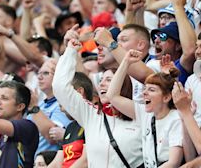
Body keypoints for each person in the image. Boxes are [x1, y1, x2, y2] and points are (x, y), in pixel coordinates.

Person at [52, 39, 144, 167]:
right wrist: (70, 53)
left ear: (123, 85)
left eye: (108, 80)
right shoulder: (92, 115)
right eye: (101, 80)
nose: (101, 84)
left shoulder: (141, 114)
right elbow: (60, 87)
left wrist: (126, 63)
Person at [106, 49, 183, 167]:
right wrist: (126, 62)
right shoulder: (145, 114)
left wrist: (171, 80)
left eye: (151, 90)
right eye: (145, 89)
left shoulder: (176, 119)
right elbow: (112, 96)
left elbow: (174, 162)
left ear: (166, 97)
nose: (144, 93)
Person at [49, 71, 93, 168]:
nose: (58, 102)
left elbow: (86, 161)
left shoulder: (93, 121)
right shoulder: (70, 127)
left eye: (62, 94)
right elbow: (56, 163)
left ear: (79, 93)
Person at [27, 59, 71, 155]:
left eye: (46, 73)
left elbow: (52, 137)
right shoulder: (40, 104)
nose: (39, 77)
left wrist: (34, 108)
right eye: (39, 73)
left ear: (59, 76)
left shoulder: (64, 104)